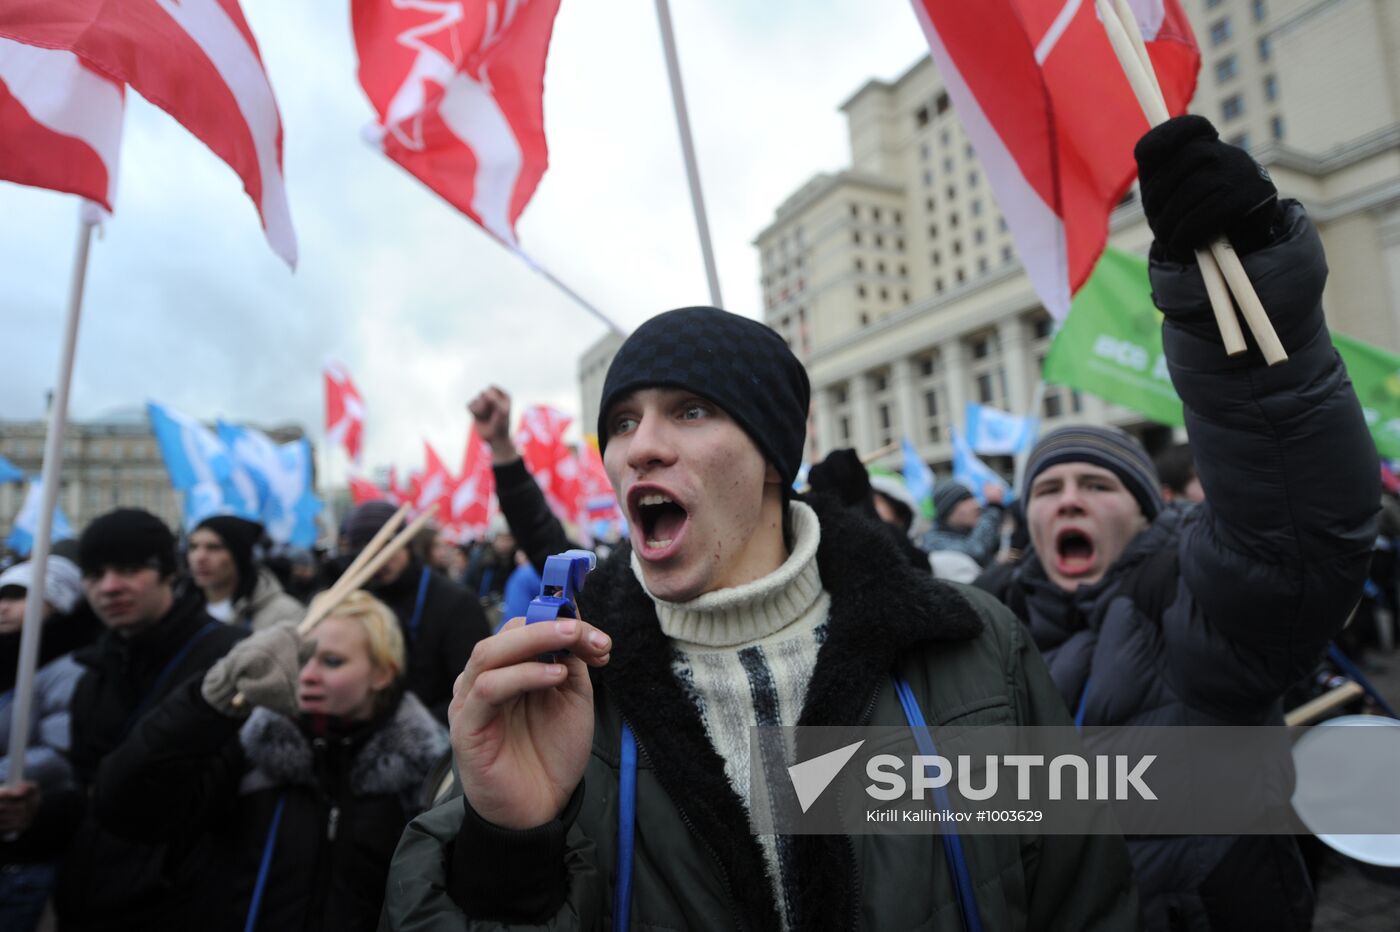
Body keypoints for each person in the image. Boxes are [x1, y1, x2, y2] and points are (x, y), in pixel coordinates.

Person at [381, 308, 1138, 930]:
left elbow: (1085, 900)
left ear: (774, 454)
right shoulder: (558, 684)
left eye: (692, 409)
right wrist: (509, 843)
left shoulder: (968, 644)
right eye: (621, 421)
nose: (640, 445)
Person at [975, 116, 1380, 930]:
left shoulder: (1193, 604)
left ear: (1146, 510)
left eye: (1097, 483)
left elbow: (1294, 524)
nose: (1069, 501)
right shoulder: (978, 632)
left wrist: (1236, 298)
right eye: (1049, 490)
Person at [93, 591, 448, 932]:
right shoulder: (247, 747)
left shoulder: (425, 778)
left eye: (332, 661)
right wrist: (207, 703)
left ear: (382, 673)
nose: (307, 675)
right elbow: (123, 807)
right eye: (302, 657)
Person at [0, 509, 246, 930]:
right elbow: (91, 799)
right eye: (95, 574)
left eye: (131, 569)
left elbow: (214, 799)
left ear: (169, 572)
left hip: (187, 905)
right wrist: (37, 813)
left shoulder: (229, 658)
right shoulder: (93, 669)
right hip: (92, 902)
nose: (110, 587)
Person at [0, 555, 95, 932]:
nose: (3, 606)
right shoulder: (7, 655)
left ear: (56, 604)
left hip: (30, 853)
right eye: (1, 595)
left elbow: (58, 755)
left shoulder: (69, 668)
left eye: (19, 596)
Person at [340, 501, 490, 723]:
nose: (380, 557)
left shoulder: (456, 602)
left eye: (388, 544)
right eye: (366, 547)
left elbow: (473, 690)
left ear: (406, 543)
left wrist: (413, 727)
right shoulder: (357, 603)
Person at [187, 515, 304, 630]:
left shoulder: (283, 614)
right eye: (193, 547)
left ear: (239, 555)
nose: (199, 557)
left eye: (214, 547)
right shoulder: (183, 611)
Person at [919, 480, 1006, 567]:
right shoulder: (934, 542)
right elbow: (975, 552)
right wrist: (993, 508)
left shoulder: (971, 533)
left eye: (973, 498)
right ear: (948, 511)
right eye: (965, 500)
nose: (977, 505)